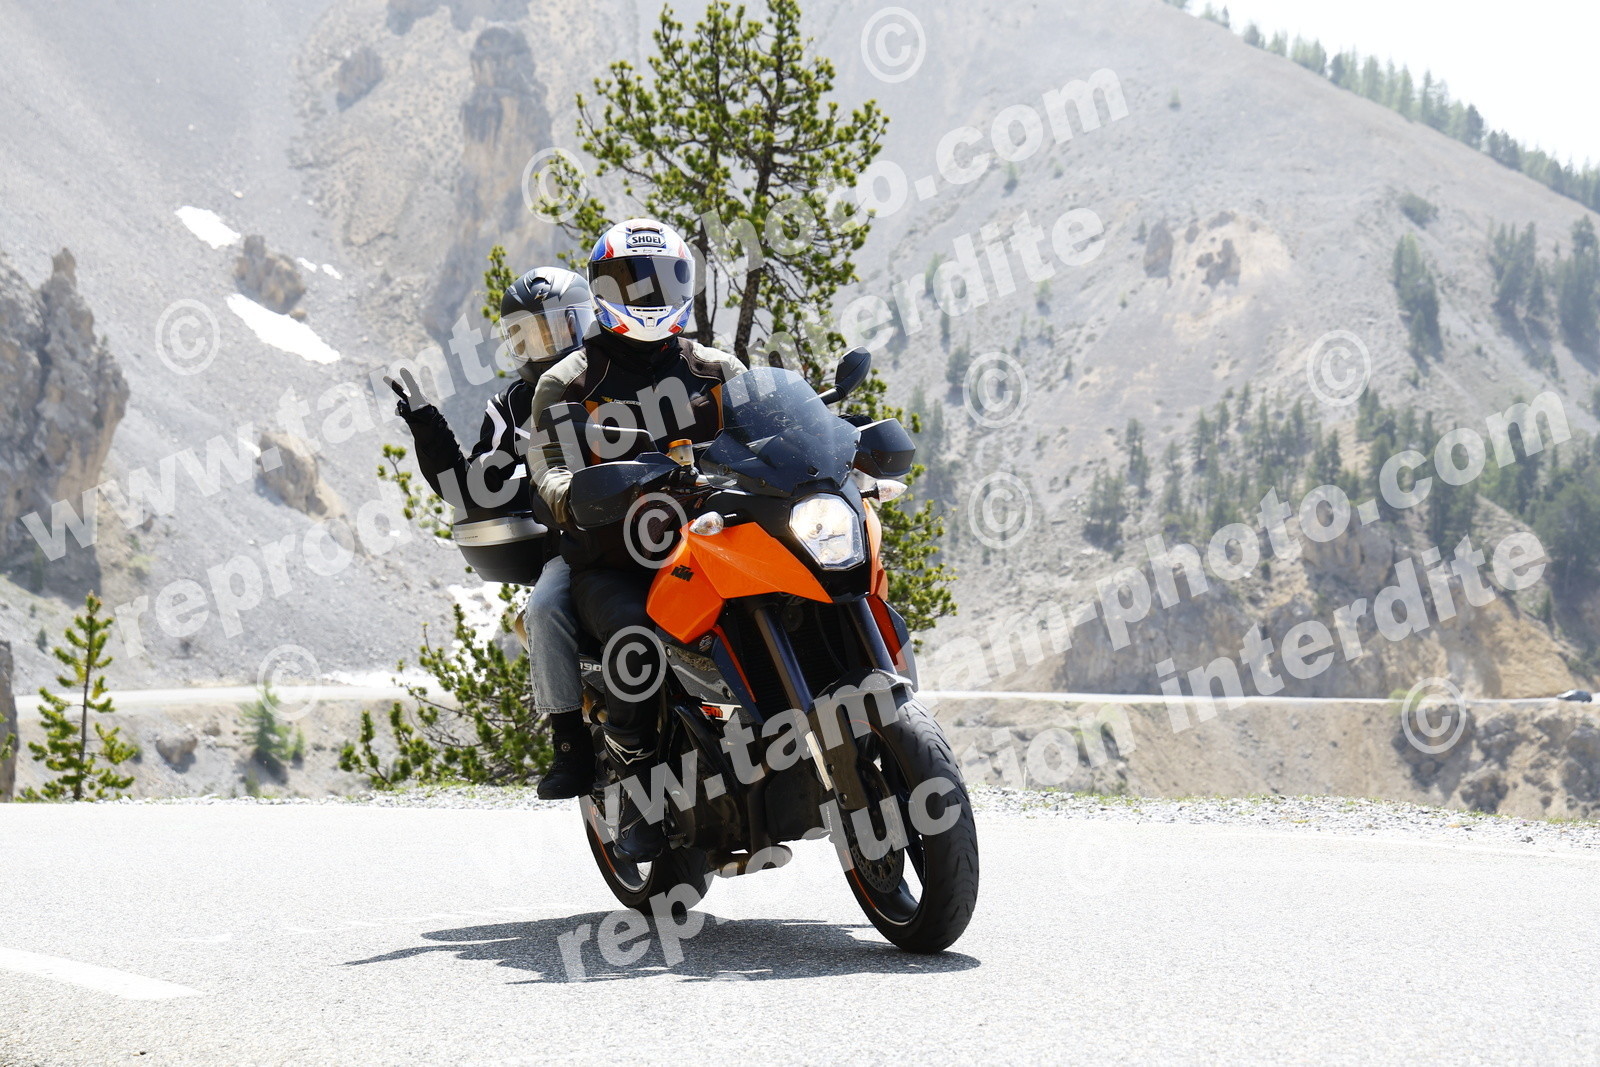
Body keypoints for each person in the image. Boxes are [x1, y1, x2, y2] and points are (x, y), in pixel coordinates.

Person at [530, 218, 746, 860]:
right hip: (616, 559)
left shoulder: (716, 369)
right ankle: (637, 792)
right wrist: (570, 492)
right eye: (632, 283)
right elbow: (548, 464)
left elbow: (769, 428)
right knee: (635, 638)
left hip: (712, 548)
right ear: (601, 290)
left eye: (663, 281)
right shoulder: (569, 381)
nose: (649, 296)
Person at [386, 266, 596, 800]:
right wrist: (427, 426)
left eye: (553, 328)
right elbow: (469, 488)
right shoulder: (510, 407)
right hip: (575, 543)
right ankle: (569, 745)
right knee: (543, 608)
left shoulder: (610, 375)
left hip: (655, 524)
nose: (541, 344)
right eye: (527, 335)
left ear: (585, 322)